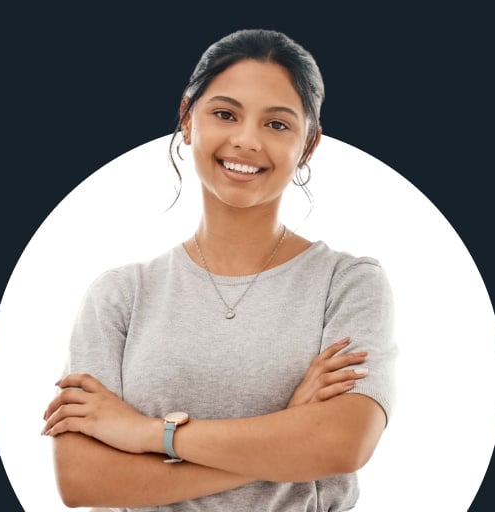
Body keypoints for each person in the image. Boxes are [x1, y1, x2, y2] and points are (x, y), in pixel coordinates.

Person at [41, 28, 397, 511]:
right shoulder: (120, 295)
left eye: (277, 124)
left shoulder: (347, 282)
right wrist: (288, 434)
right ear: (188, 121)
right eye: (225, 114)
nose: (247, 140)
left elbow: (343, 445)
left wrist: (148, 434)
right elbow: (82, 479)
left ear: (308, 145)